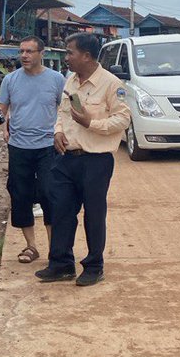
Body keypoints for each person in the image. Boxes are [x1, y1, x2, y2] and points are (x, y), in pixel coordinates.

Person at [36, 32, 130, 287]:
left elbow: (123, 120)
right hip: (66, 158)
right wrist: (57, 131)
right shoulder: (71, 81)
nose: (66, 57)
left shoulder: (112, 84)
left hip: (96, 161)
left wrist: (92, 122)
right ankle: (61, 264)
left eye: (70, 52)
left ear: (86, 56)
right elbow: (62, 112)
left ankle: (94, 266)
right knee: (62, 210)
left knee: (94, 214)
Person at [0, 37, 66, 264]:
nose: (24, 55)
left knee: (49, 193)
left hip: (47, 146)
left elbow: (63, 110)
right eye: (21, 51)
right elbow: (1, 110)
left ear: (41, 53)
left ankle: (54, 248)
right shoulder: (10, 80)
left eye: (29, 51)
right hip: (19, 146)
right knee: (20, 194)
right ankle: (31, 246)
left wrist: (60, 133)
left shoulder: (56, 80)